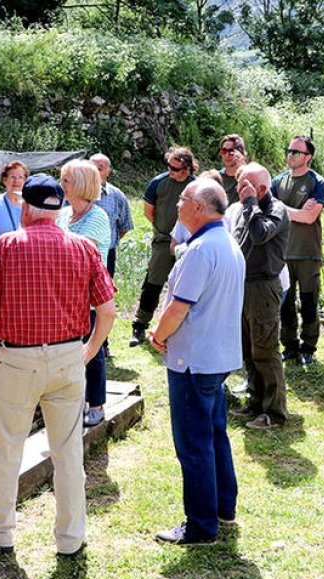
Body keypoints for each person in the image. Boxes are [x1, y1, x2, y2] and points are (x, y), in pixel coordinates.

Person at [0, 174, 116, 556]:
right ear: (60, 209)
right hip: (67, 357)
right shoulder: (83, 247)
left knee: (5, 450)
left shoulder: (6, 246)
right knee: (68, 452)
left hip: (16, 358)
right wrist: (91, 347)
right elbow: (107, 309)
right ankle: (71, 538)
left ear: (24, 208)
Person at [149, 178, 245, 546]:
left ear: (201, 208)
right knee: (213, 433)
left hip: (194, 360)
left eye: (184, 200)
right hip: (216, 358)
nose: (177, 205)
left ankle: (201, 524)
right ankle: (222, 507)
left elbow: (177, 307)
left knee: (194, 443)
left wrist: (158, 336)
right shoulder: (225, 243)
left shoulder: (200, 249)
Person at [230, 163, 290, 431]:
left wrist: (251, 203)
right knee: (247, 347)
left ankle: (274, 412)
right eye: (239, 183)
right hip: (242, 286)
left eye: (245, 185)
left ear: (262, 188)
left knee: (265, 349)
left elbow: (260, 234)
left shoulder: (275, 209)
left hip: (263, 287)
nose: (238, 189)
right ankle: (256, 401)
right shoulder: (246, 209)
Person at [57, 159, 112, 427]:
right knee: (66, 351)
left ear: (80, 184)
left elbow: (77, 250)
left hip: (90, 298)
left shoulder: (98, 216)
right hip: (63, 298)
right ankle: (72, 401)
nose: (61, 185)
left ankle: (97, 404)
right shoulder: (62, 213)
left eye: (65, 180)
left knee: (93, 351)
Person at [129, 147, 196, 347]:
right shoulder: (158, 182)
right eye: (169, 166)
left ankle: (184, 328)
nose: (171, 171)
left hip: (190, 243)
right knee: (153, 282)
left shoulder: (196, 186)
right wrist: (162, 230)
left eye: (175, 168)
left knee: (189, 285)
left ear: (187, 168)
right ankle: (140, 325)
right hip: (164, 241)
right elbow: (148, 211)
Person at [273, 135, 324, 366]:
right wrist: (292, 210)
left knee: (309, 303)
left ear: (309, 157)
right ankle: (290, 345)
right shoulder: (278, 182)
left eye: (296, 152)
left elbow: (308, 217)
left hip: (307, 253)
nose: (291, 155)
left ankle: (308, 347)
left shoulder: (317, 182)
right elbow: (271, 212)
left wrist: (283, 209)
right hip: (282, 254)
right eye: (289, 150)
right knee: (285, 304)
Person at [89, 153, 134, 278]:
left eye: (99, 168)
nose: (95, 172)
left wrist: (106, 241)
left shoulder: (117, 196)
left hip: (107, 253)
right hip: (77, 252)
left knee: (103, 293)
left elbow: (124, 227)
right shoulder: (73, 191)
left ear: (108, 172)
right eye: (92, 167)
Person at [217, 134, 247, 203]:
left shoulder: (248, 176)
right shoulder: (217, 177)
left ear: (240, 153)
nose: (227, 155)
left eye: (231, 151)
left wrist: (242, 167)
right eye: (224, 151)